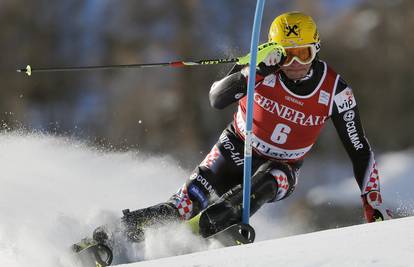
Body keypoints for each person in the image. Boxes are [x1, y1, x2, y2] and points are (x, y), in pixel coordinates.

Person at [95, 11, 392, 244]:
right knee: (183, 205)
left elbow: (359, 149)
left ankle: (197, 237)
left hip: (283, 167)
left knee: (260, 186)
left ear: (316, 49)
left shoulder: (335, 91)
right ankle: (117, 232)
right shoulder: (261, 62)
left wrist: (372, 203)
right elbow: (216, 98)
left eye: (304, 54)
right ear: (276, 50)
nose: (296, 63)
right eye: (287, 54)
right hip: (234, 148)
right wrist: (254, 71)